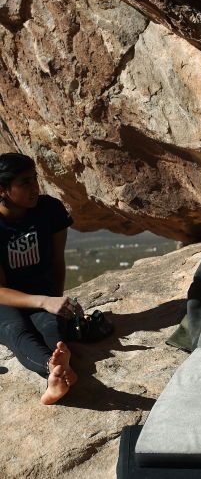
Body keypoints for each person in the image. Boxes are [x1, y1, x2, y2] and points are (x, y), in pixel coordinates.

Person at [0, 153, 80, 404]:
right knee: (17, 330)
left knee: (51, 328)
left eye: (35, 179)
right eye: (25, 183)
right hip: (6, 300)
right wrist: (45, 301)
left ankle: (57, 371)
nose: (35, 187)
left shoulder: (50, 210)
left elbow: (57, 262)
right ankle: (52, 370)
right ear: (2, 189)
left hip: (41, 293)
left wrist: (56, 303)